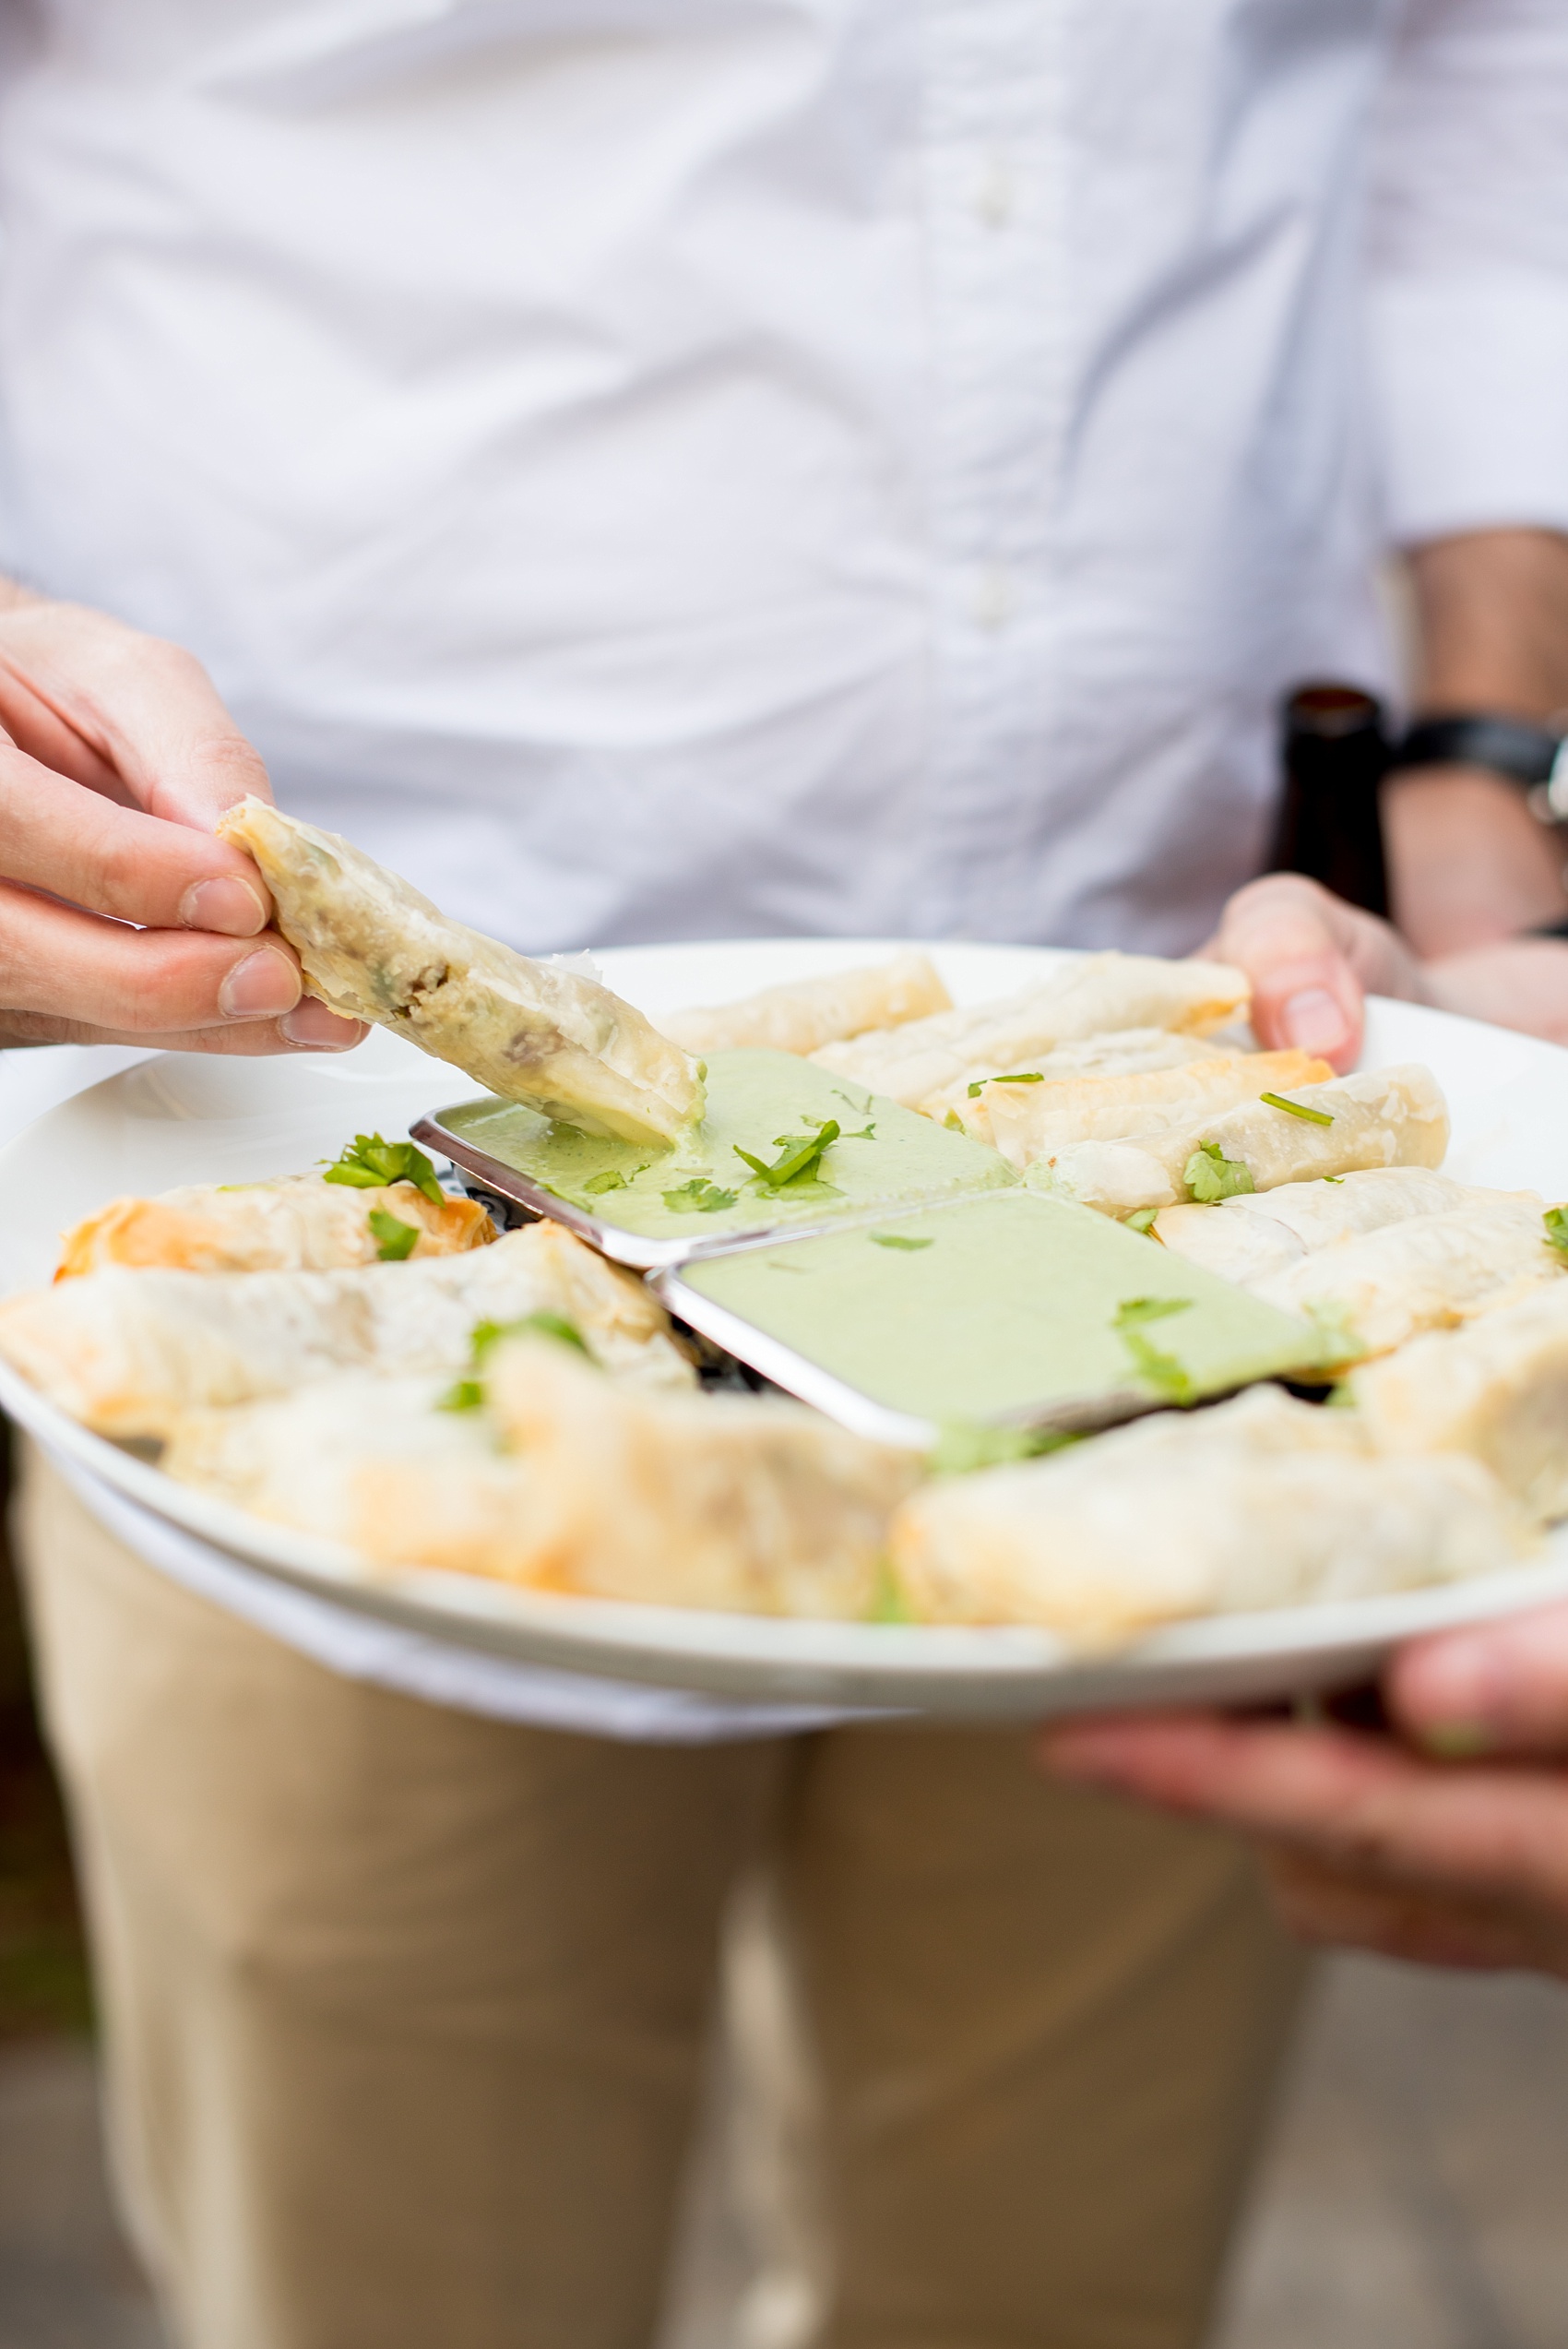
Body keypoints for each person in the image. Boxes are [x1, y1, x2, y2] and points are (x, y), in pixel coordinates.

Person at [2, 6, 1567, 2346]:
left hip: (1214, 1223)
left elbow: (1482, 67)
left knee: (1055, 2293)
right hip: (290, 1167)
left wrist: (1484, 762)